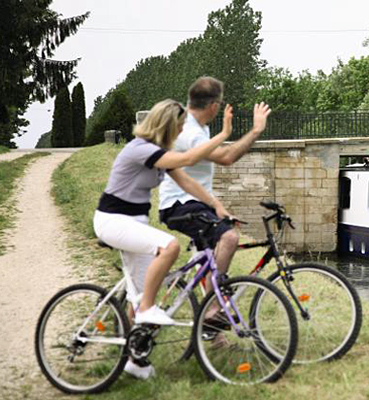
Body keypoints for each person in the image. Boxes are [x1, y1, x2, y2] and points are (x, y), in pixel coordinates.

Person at [93, 99, 233, 378]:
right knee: (169, 247)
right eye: (179, 127)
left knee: (148, 292)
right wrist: (224, 134)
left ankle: (135, 358)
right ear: (168, 126)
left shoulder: (158, 153)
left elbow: (188, 182)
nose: (181, 132)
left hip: (135, 222)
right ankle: (145, 309)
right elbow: (189, 159)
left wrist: (217, 205)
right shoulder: (141, 149)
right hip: (113, 221)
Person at [158, 77, 271, 320]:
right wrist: (256, 131)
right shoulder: (189, 132)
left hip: (195, 202)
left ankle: (211, 335)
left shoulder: (198, 127)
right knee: (229, 237)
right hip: (180, 205)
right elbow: (226, 157)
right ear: (214, 106)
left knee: (211, 262)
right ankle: (212, 311)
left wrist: (218, 207)